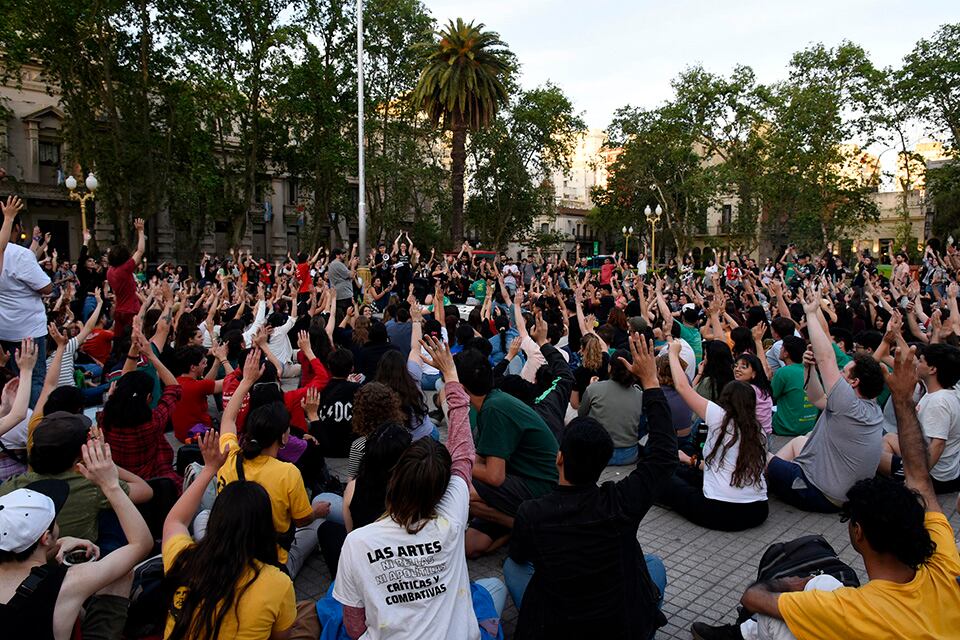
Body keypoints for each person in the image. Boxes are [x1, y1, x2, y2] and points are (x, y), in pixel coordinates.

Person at [691, 340, 960, 640]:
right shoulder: (944, 568)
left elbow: (753, 597)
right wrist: (901, 398)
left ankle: (739, 634)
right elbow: (920, 480)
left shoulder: (851, 608)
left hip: (816, 497)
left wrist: (797, 583)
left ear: (859, 533)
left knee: (779, 620)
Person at [333, 336, 506, 640]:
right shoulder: (452, 517)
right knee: (494, 587)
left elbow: (355, 627)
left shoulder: (357, 542)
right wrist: (451, 377)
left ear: (394, 481)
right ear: (442, 489)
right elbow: (462, 451)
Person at [505, 334, 673, 639]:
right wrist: (651, 383)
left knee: (512, 567)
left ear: (559, 458)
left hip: (556, 623)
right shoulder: (620, 502)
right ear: (603, 465)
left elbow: (520, 555)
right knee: (653, 564)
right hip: (620, 625)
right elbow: (663, 457)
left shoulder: (533, 512)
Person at [0, 439, 154, 639]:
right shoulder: (68, 583)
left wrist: (57, 544)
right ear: (46, 538)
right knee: (122, 573)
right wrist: (110, 485)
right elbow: (142, 543)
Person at [162, 431, 297, 640]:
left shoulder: (183, 558)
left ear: (215, 520)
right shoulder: (277, 583)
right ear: (265, 528)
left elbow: (174, 521)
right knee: (306, 616)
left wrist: (209, 470)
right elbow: (281, 637)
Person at [766, 286, 885, 513]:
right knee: (800, 441)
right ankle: (774, 477)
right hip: (845, 492)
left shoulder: (848, 403)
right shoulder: (871, 406)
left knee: (759, 455)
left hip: (820, 494)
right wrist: (808, 368)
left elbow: (827, 356)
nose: (839, 374)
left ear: (855, 382)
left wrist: (811, 313)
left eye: (845, 372)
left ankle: (762, 482)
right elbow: (817, 398)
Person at [214, 347, 330, 569]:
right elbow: (302, 519)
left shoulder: (230, 456)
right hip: (271, 560)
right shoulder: (287, 473)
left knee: (204, 518)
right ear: (284, 437)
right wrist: (316, 512)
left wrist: (246, 381)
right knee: (319, 525)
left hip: (229, 548)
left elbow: (227, 419)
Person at [455, 348, 559, 558]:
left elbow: (494, 476)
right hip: (521, 481)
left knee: (461, 492)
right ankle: (516, 527)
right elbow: (483, 460)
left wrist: (456, 461)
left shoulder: (494, 408)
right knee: (471, 547)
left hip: (541, 487)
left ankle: (532, 528)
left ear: (461, 388)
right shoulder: (491, 401)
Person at [658, 339, 769, 531]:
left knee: (663, 478)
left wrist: (674, 355)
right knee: (684, 472)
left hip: (720, 512)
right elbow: (726, 466)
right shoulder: (759, 430)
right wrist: (689, 461)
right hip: (758, 510)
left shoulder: (720, 417)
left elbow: (683, 388)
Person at [879, 342, 960, 493]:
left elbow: (938, 445)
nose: (916, 364)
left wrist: (917, 480)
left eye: (921, 361)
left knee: (871, 456)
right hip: (927, 458)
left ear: (932, 370)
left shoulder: (939, 402)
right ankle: (893, 476)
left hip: (935, 476)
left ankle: (898, 482)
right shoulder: (943, 392)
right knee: (889, 437)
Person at [0, 198, 52, 406]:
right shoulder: (19, 254)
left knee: (11, 381)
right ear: (17, 227)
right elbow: (46, 287)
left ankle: (14, 422)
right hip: (28, 331)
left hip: (4, 331)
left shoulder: (16, 254)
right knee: (34, 380)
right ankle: (35, 425)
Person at [578, 349, 644, 465]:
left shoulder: (594, 389)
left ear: (610, 367)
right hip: (629, 454)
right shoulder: (640, 395)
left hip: (599, 454)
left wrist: (591, 388)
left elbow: (581, 414)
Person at [171, 344, 232, 442]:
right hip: (200, 436)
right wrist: (223, 359)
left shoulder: (175, 382)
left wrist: (216, 362)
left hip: (181, 434)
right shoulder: (198, 386)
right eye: (203, 363)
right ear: (193, 367)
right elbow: (232, 382)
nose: (206, 365)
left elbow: (205, 385)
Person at [770, 336, 818, 437]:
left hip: (785, 428)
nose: (780, 349)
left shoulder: (783, 372)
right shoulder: (811, 371)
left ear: (786, 353)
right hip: (809, 427)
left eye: (782, 347)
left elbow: (771, 396)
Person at [106, 217, 146, 338]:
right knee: (134, 338)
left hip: (119, 310)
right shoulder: (125, 269)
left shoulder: (109, 271)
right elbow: (140, 251)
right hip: (131, 310)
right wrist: (140, 231)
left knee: (120, 339)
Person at [329, 247, 354, 319]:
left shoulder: (334, 264)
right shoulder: (337, 264)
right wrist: (353, 265)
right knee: (348, 316)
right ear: (337, 255)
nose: (344, 256)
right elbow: (351, 275)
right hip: (344, 295)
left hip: (341, 294)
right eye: (342, 254)